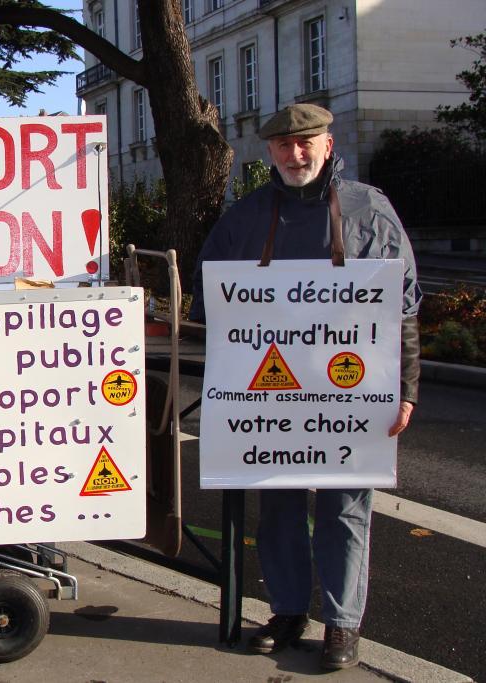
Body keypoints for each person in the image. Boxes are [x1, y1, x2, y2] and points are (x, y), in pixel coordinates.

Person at [190, 104, 421, 670]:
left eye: (305, 143)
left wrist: (407, 389)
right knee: (280, 505)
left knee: (346, 509)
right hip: (272, 397)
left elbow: (404, 308)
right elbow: (212, 304)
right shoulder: (246, 218)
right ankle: (288, 611)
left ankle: (343, 625)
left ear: (327, 141)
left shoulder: (371, 210)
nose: (295, 155)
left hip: (353, 393)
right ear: (268, 151)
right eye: (283, 146)